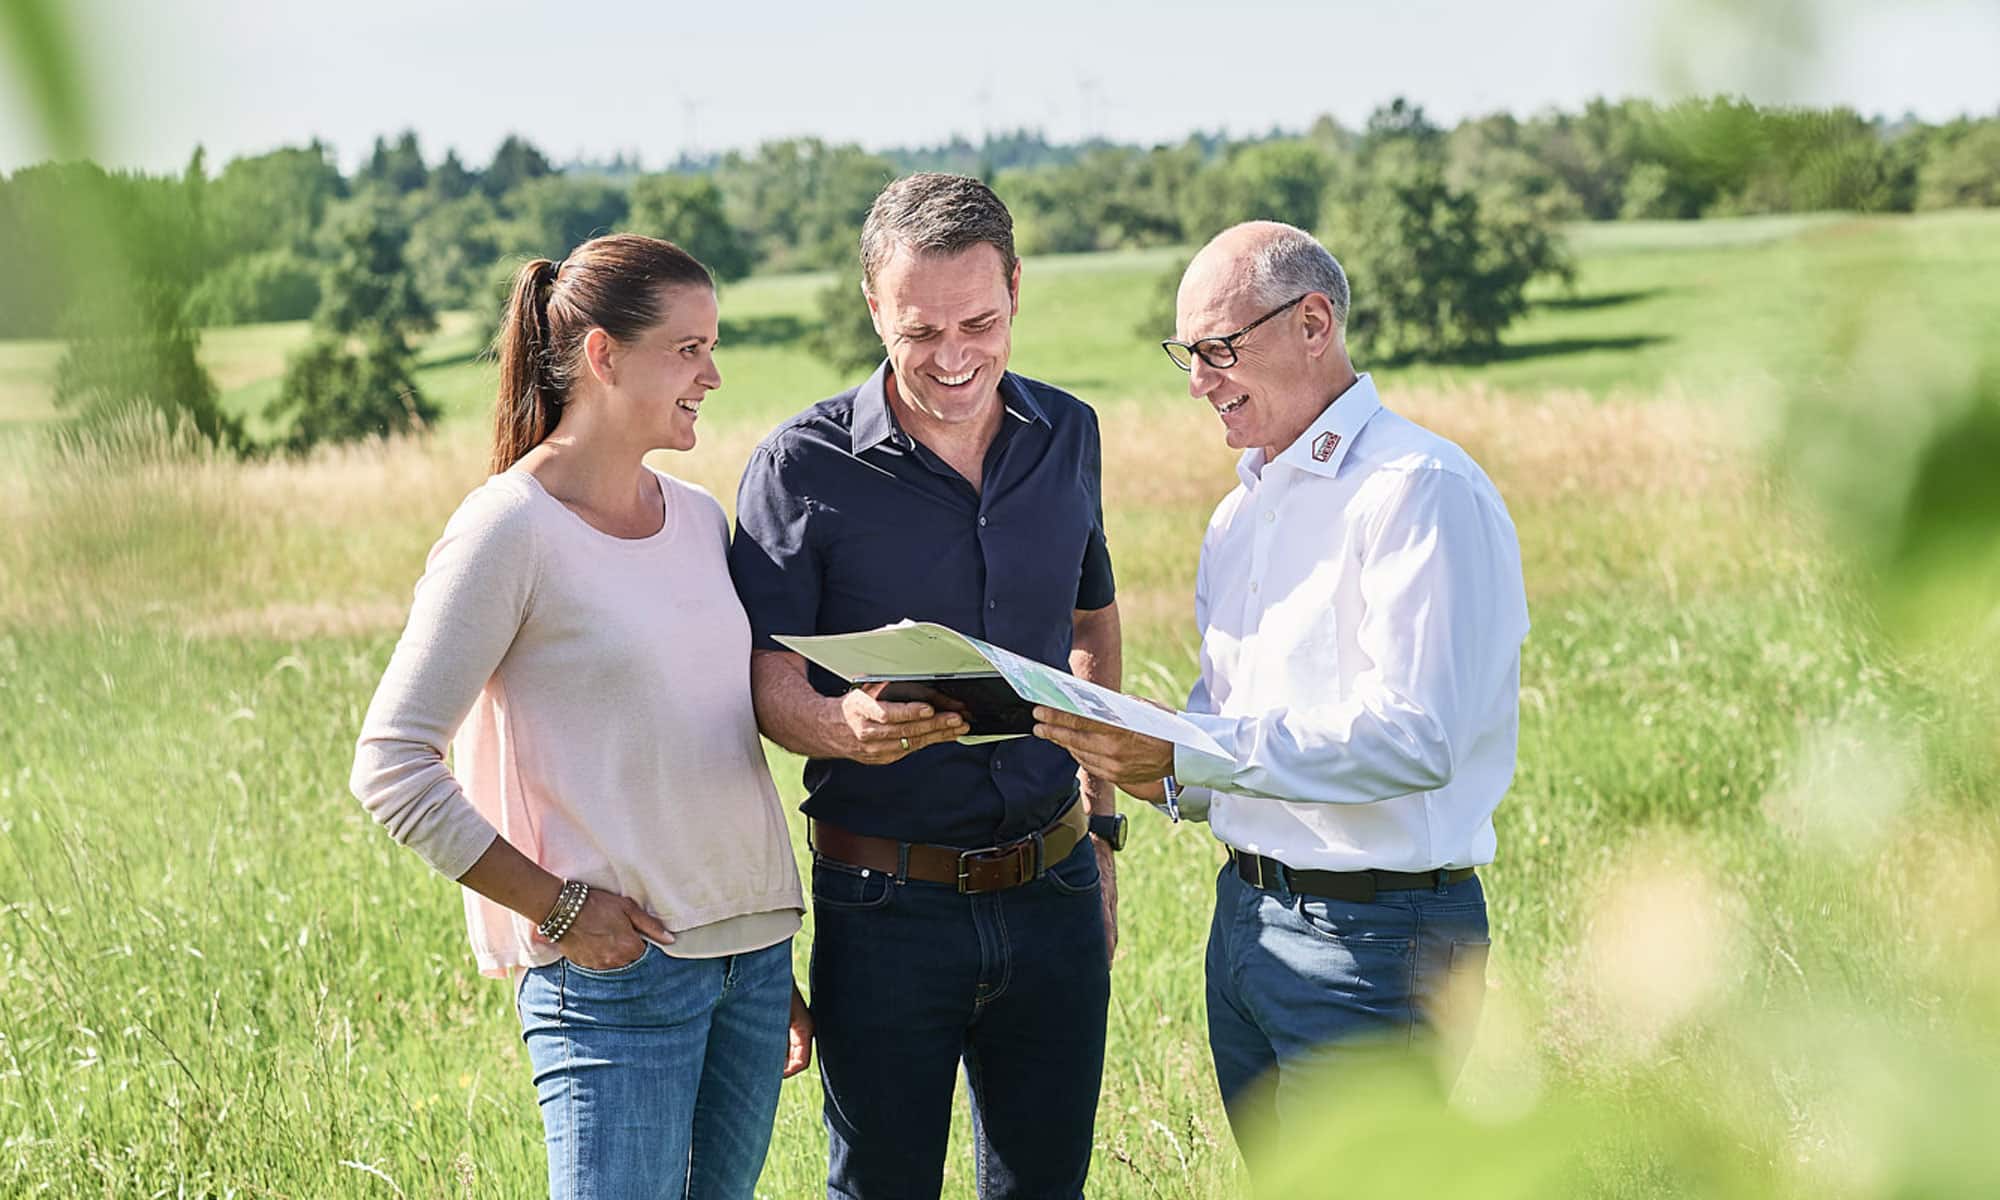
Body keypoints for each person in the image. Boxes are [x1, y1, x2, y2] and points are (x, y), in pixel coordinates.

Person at [1032, 221, 1529, 1154]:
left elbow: (1417, 737)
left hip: (1377, 937)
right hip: (1248, 922)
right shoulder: (1238, 514)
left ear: (1313, 323)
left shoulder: (1418, 489)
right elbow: (1226, 734)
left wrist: (1190, 751)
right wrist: (1147, 762)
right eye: (1187, 353)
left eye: (1219, 349)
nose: (1198, 382)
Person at [349, 234, 810, 1200]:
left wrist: (766, 952)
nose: (712, 375)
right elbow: (392, 764)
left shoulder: (698, 519)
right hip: (617, 979)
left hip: (753, 965)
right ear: (604, 355)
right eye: (688, 349)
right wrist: (558, 909)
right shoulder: (509, 529)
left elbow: (705, 738)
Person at [728, 173, 1123, 1199]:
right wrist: (837, 723)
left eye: (979, 323)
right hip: (883, 906)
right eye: (920, 331)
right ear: (873, 306)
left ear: (1016, 290)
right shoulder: (798, 467)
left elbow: (1090, 619)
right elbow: (765, 676)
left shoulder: (1069, 434)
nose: (953, 357)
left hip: (1055, 888)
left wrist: (1103, 826)